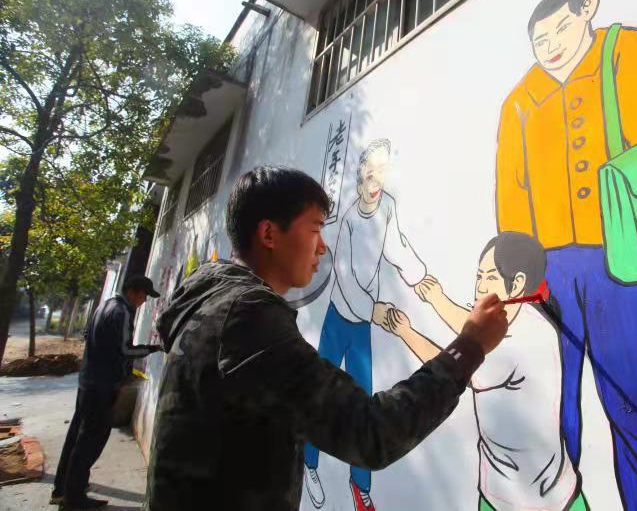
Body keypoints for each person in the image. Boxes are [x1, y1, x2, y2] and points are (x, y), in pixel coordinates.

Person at [143, 166, 509, 511]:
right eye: (315, 229)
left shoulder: (215, 299)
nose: (322, 247)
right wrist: (469, 346)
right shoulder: (247, 317)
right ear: (269, 234)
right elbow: (370, 432)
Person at [494, 0, 637, 508]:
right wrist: (517, 284)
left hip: (629, 258)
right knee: (547, 406)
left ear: (588, 8)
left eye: (561, 29)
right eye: (541, 40)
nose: (552, 47)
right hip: (548, 273)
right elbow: (512, 198)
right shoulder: (520, 101)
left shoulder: (625, 53)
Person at [387, 232, 585, 511]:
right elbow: (473, 328)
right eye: (478, 276)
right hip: (498, 494)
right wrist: (435, 298)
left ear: (517, 284)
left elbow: (456, 367)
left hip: (547, 501)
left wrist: (405, 331)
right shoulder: (518, 317)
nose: (479, 286)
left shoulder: (527, 337)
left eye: (489, 278)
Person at [303, 138, 428, 511]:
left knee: (364, 403)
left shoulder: (387, 206)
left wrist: (419, 278)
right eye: (370, 171)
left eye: (382, 171)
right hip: (340, 317)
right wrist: (375, 311)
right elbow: (344, 279)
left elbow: (396, 246)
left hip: (362, 325)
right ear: (360, 173)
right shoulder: (348, 221)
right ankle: (308, 462)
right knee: (318, 397)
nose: (376, 180)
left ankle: (360, 485)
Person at [52, 275, 162, 510]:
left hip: (88, 381)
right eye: (144, 296)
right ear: (133, 291)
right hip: (101, 386)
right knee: (90, 441)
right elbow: (125, 350)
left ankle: (62, 490)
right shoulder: (121, 312)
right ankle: (74, 499)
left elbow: (89, 337)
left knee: (77, 437)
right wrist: (152, 348)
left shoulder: (105, 306)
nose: (144, 301)